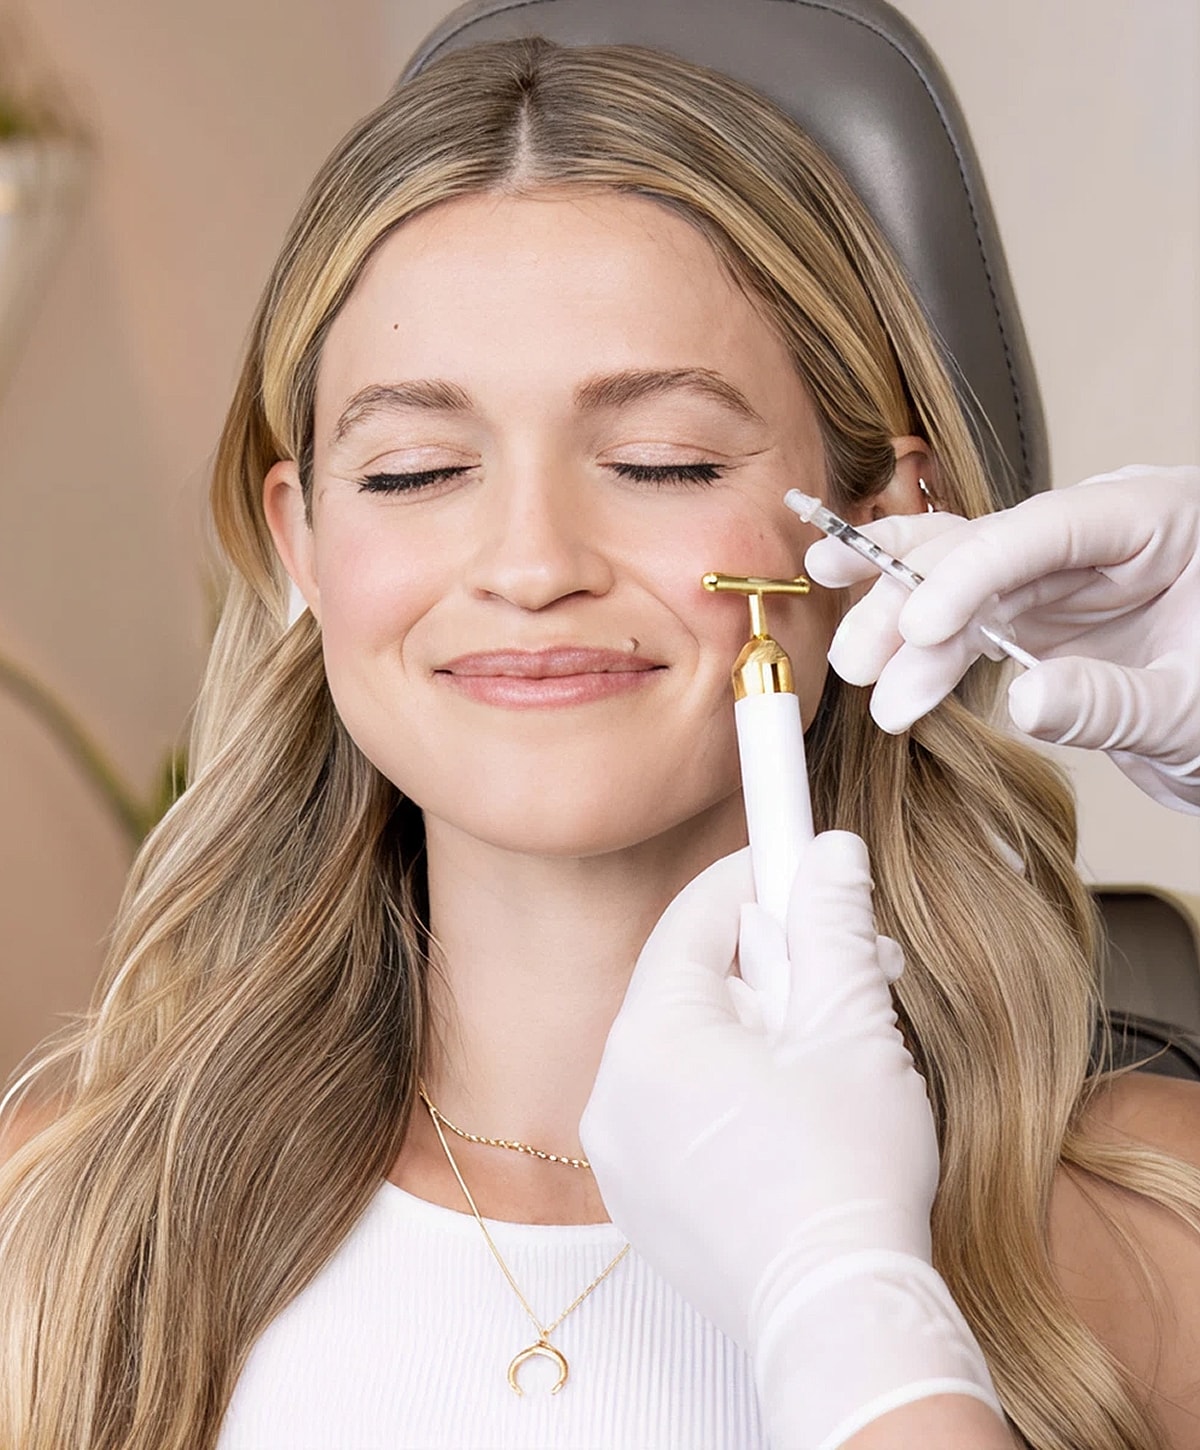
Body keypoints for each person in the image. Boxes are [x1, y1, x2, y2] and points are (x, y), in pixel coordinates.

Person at [0, 33, 1197, 1450]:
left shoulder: (1146, 1223)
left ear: (875, 524)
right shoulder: (68, 1231)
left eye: (664, 463)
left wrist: (852, 1304)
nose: (530, 560)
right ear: (303, 542)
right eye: (416, 470)